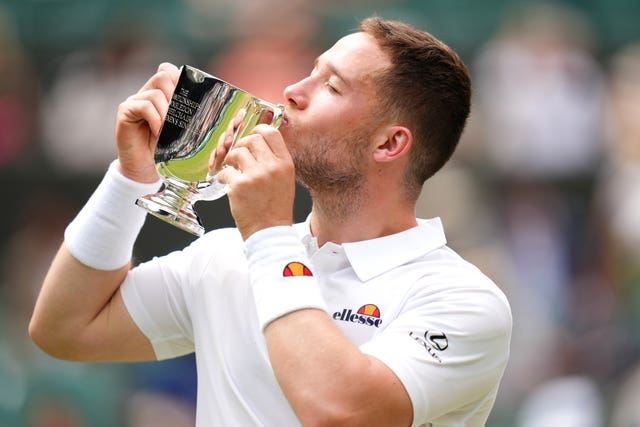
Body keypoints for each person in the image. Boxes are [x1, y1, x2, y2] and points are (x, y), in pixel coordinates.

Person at [30, 17, 512, 426]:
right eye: (311, 72)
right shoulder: (225, 256)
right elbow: (64, 328)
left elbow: (337, 410)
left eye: (331, 86)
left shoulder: (463, 299)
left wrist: (267, 234)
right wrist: (130, 179)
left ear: (389, 144)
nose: (292, 92)